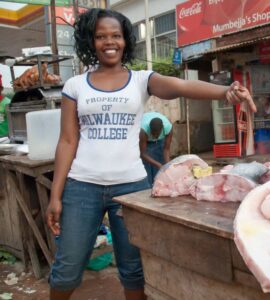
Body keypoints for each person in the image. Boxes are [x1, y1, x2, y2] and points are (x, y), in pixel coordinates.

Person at [45, 8, 256, 300]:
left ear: (125, 40)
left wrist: (225, 92)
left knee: (134, 270)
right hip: (82, 187)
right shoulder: (75, 85)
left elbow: (182, 86)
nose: (110, 42)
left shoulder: (141, 80)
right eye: (101, 36)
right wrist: (56, 195)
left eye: (116, 36)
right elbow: (67, 141)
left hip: (131, 187)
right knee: (67, 269)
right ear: (90, 41)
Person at [140, 111, 173, 185]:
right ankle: (148, 187)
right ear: (150, 129)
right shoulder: (143, 130)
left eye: (157, 134)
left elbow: (166, 149)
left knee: (161, 166)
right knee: (147, 168)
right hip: (146, 142)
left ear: (162, 129)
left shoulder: (168, 127)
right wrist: (158, 165)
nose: (155, 136)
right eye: (153, 134)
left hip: (160, 142)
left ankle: (158, 185)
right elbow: (143, 154)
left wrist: (167, 165)